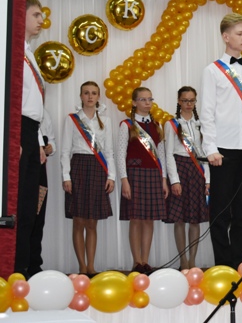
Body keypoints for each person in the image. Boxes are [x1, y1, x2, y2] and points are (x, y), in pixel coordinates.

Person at [200, 13, 242, 269]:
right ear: (226, 37)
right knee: (220, 210)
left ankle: (239, 262)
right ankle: (222, 265)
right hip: (222, 150)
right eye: (240, 34)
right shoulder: (212, 71)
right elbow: (207, 112)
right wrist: (210, 148)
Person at [60, 81, 115, 276]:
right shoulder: (72, 120)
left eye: (93, 93)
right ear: (81, 96)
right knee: (79, 220)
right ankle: (81, 267)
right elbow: (65, 151)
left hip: (98, 169)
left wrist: (111, 176)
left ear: (98, 96)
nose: (90, 96)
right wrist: (66, 176)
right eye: (86, 93)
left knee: (92, 222)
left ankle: (91, 267)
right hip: (78, 168)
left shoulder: (105, 121)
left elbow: (109, 152)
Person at [117, 87, 168, 273]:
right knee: (136, 219)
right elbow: (120, 154)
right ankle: (136, 261)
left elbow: (161, 154)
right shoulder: (127, 125)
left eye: (150, 99)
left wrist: (164, 179)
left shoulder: (157, 125)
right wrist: (124, 180)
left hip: (153, 175)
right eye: (143, 99)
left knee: (149, 220)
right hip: (134, 175)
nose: (147, 103)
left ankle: (145, 261)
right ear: (134, 102)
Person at [15, 0, 47, 278]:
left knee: (29, 206)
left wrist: (36, 143)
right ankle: (13, 267)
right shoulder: (13, 53)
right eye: (36, 14)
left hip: (31, 131)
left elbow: (34, 107)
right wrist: (13, 139)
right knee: (18, 203)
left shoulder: (29, 54)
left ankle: (23, 267)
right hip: (17, 129)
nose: (41, 20)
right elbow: (13, 101)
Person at [164, 86, 209, 270]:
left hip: (197, 170)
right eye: (185, 100)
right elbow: (168, 154)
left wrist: (208, 180)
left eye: (192, 100)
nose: (189, 104)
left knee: (195, 219)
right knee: (180, 219)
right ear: (179, 101)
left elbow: (205, 152)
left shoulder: (202, 124)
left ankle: (192, 261)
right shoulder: (172, 124)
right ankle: (183, 261)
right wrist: (174, 180)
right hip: (180, 168)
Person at [30, 108, 55, 276]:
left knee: (38, 218)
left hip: (40, 172)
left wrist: (49, 148)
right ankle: (22, 262)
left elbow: (52, 142)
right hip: (24, 168)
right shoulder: (21, 112)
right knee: (26, 217)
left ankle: (34, 264)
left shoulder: (45, 113)